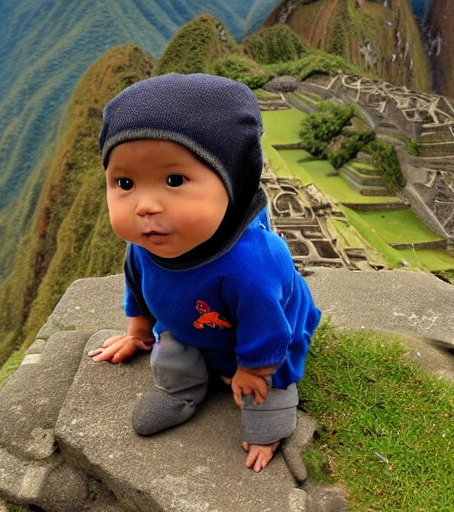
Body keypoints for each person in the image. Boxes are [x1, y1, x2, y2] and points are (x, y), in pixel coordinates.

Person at [88, 73, 321, 473]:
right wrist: (138, 333)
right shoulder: (148, 242)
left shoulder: (251, 262)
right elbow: (137, 285)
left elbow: (270, 328)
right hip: (188, 331)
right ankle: (182, 392)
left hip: (261, 347)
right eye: (125, 182)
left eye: (174, 180)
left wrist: (252, 369)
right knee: (171, 353)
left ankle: (270, 419)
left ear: (233, 180)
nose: (145, 206)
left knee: (266, 395)